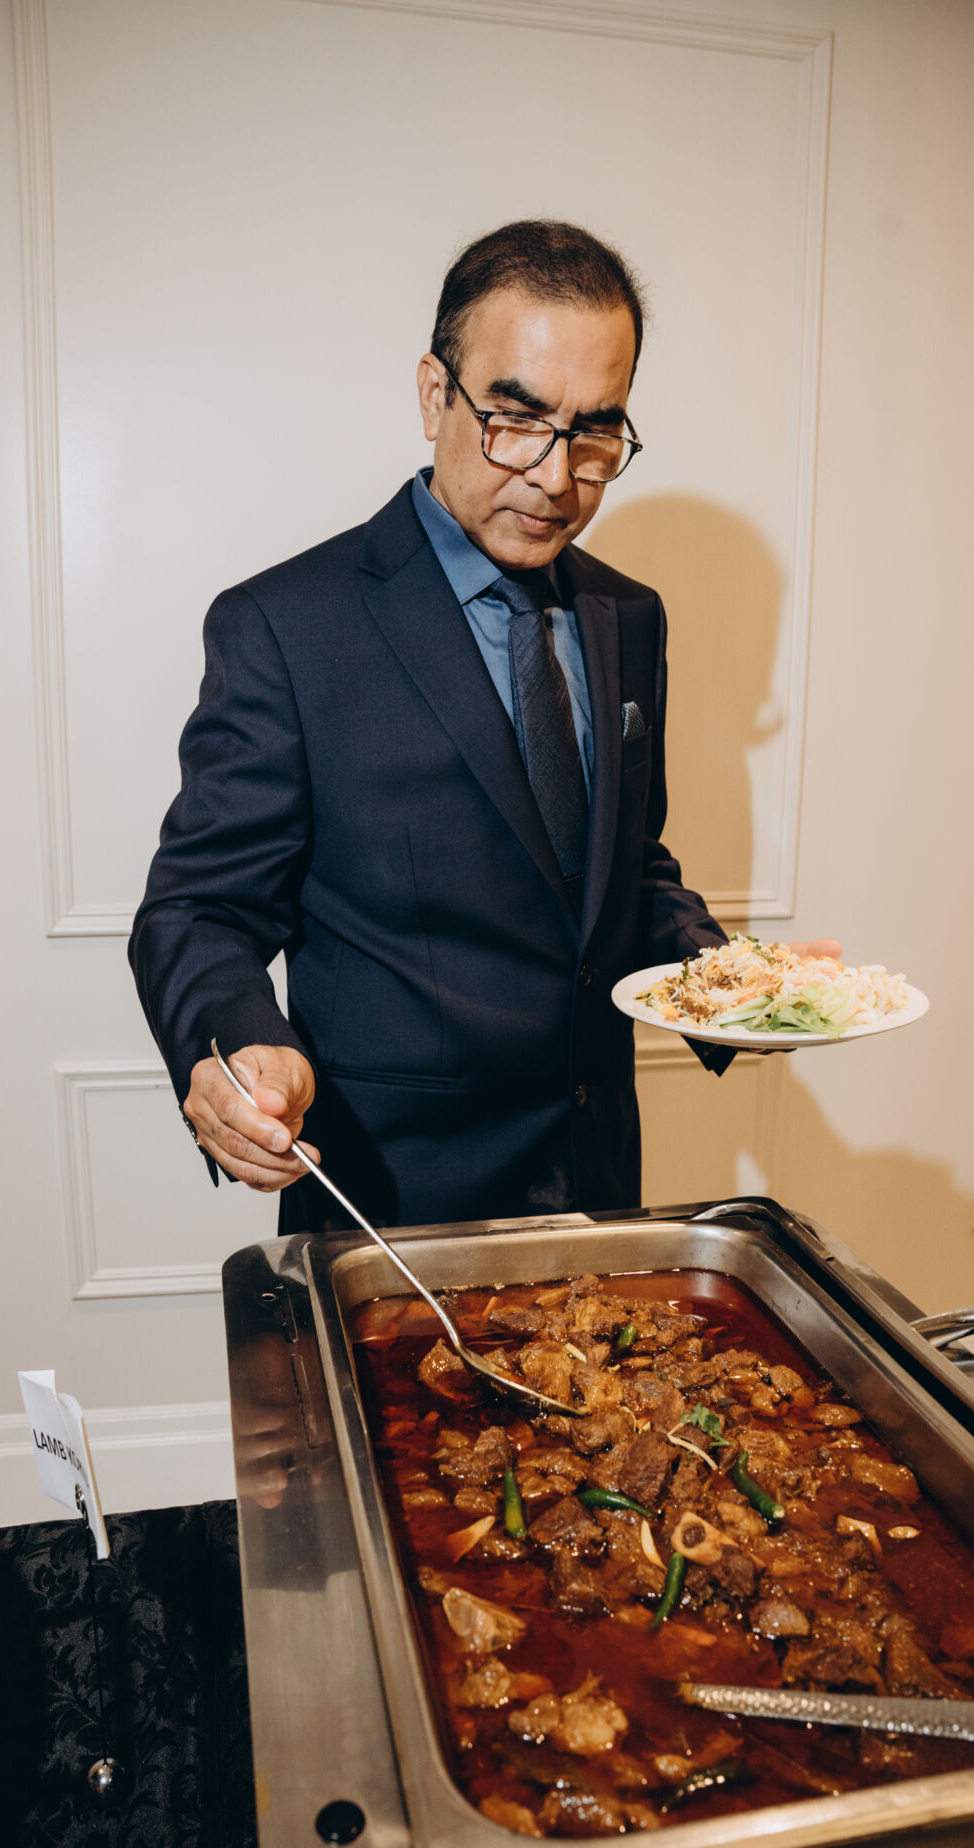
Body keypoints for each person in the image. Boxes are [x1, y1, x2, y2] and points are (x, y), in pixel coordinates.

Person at [130, 220, 836, 1231]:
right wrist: (236, 1049)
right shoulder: (286, 627)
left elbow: (625, 873)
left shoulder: (629, 615)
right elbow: (201, 910)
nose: (556, 476)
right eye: (516, 419)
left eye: (595, 432)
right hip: (393, 1209)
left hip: (597, 1185)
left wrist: (734, 985)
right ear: (435, 395)